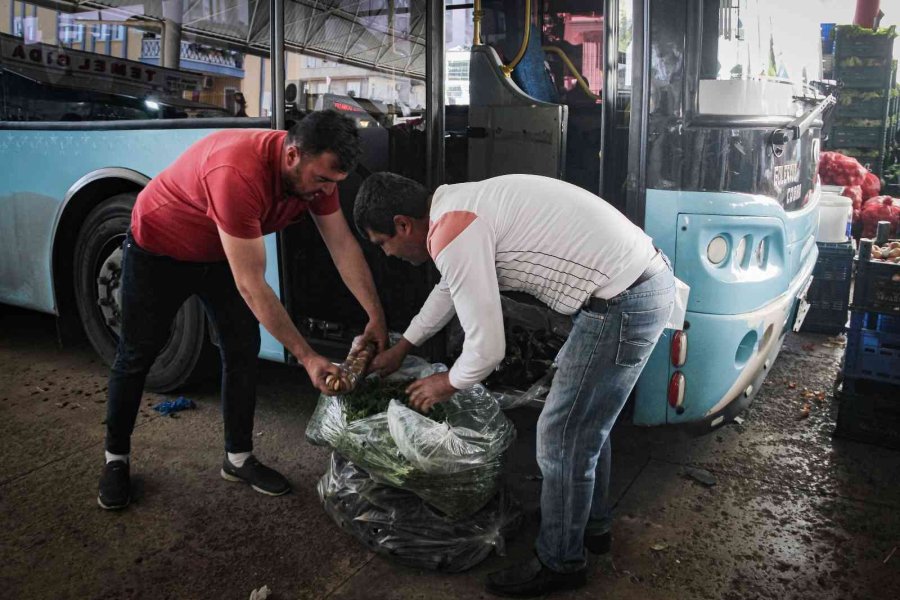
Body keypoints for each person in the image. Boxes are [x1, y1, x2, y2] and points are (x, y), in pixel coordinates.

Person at [354, 172, 675, 597]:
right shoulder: (455, 207)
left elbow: (488, 350)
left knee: (560, 435)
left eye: (383, 244)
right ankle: (588, 526)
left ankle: (561, 562)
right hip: (635, 286)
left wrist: (445, 383)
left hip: (623, 301)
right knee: (584, 425)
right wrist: (404, 346)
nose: (388, 254)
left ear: (403, 225)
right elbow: (449, 289)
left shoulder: (453, 230)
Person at [97, 110, 388, 510]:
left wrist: (375, 316)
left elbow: (341, 246)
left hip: (216, 253)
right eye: (322, 179)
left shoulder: (319, 177)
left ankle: (238, 458)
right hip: (159, 250)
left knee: (241, 349)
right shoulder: (237, 170)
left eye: (333, 183)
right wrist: (307, 357)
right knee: (137, 353)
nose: (326, 191)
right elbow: (252, 285)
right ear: (292, 156)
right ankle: (115, 460)